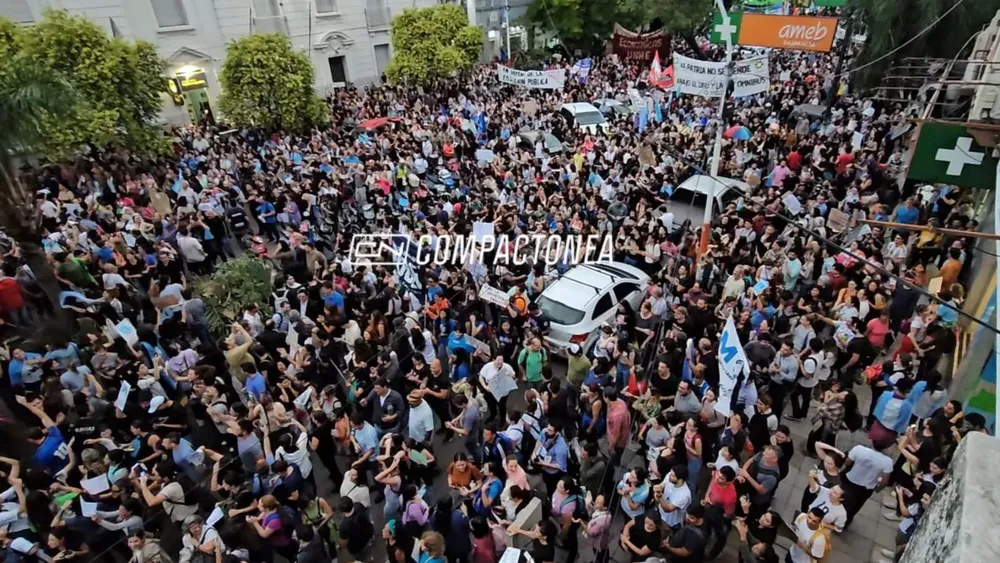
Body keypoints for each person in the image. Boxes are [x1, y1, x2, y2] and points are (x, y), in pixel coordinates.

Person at [841, 444, 893, 529]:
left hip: (850, 480)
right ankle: (845, 522)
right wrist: (877, 489)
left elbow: (847, 462)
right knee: (856, 506)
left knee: (842, 500)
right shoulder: (887, 461)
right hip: (866, 488)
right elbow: (884, 482)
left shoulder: (859, 449)